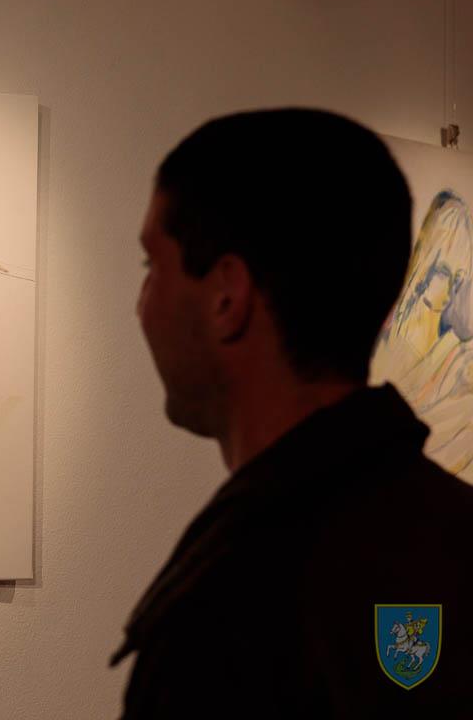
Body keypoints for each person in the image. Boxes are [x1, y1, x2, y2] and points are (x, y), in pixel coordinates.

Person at [112, 108, 473, 717]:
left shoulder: (230, 602)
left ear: (227, 296)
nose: (141, 304)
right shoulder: (454, 531)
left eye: (153, 266)